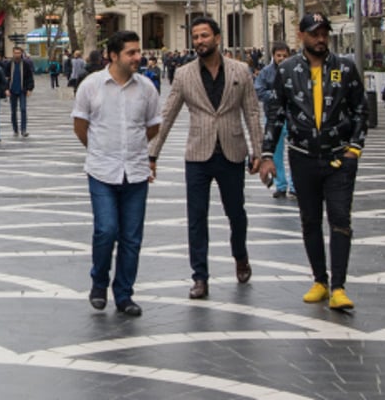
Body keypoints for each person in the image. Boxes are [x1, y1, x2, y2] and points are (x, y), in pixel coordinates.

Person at [149, 17, 262, 300]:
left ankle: (241, 255)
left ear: (217, 38)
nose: (199, 41)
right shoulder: (184, 74)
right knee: (196, 218)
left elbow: (251, 112)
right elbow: (167, 115)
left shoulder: (241, 70)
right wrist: (152, 154)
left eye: (204, 36)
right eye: (195, 37)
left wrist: (258, 151)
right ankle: (200, 276)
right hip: (198, 155)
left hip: (232, 151)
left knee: (236, 213)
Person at [259, 13, 366, 311]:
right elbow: (276, 115)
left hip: (338, 157)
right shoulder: (288, 70)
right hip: (303, 157)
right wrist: (267, 155)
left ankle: (339, 286)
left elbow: (360, 110)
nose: (320, 39)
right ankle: (320, 279)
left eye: (324, 33)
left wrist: (354, 150)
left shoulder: (344, 67)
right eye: (314, 33)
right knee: (309, 221)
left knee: (340, 219)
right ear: (301, 35)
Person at [72, 31, 161, 317]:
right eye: (131, 53)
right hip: (101, 171)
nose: (138, 57)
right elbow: (80, 125)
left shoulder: (147, 87)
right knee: (106, 229)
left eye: (138, 51)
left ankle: (124, 294)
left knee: (132, 238)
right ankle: (99, 282)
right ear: (113, 55)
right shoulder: (91, 86)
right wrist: (98, 149)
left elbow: (153, 126)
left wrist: (134, 149)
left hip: (135, 171)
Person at [254, 42, 295, 199]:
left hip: (292, 117)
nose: (282, 58)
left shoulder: (294, 71)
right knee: (275, 154)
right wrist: (277, 96)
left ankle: (294, 186)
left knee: (295, 152)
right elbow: (258, 90)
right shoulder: (266, 72)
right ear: (273, 56)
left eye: (285, 55)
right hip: (272, 117)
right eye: (279, 55)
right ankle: (281, 185)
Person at [2, 46, 35, 138]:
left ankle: (23, 129)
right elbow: (5, 78)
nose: (17, 55)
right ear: (13, 53)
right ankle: (15, 129)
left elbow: (30, 77)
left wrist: (30, 89)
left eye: (19, 53)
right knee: (13, 111)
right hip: (12, 90)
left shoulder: (26, 64)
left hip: (22, 90)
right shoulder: (9, 64)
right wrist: (6, 89)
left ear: (21, 54)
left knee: (23, 109)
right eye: (15, 53)